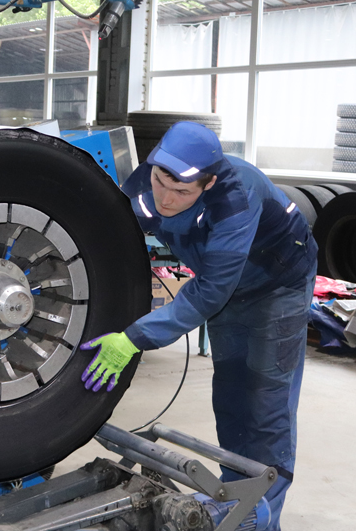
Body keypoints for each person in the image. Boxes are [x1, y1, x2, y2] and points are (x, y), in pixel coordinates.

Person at [80, 121, 317, 530]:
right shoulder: (146, 183)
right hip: (228, 288)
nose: (166, 198)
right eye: (160, 182)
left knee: (265, 401)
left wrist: (134, 338)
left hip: (278, 289)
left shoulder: (235, 200)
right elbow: (109, 234)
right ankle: (236, 495)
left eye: (182, 192)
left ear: (208, 184)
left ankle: (260, 517)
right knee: (231, 395)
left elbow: (209, 293)